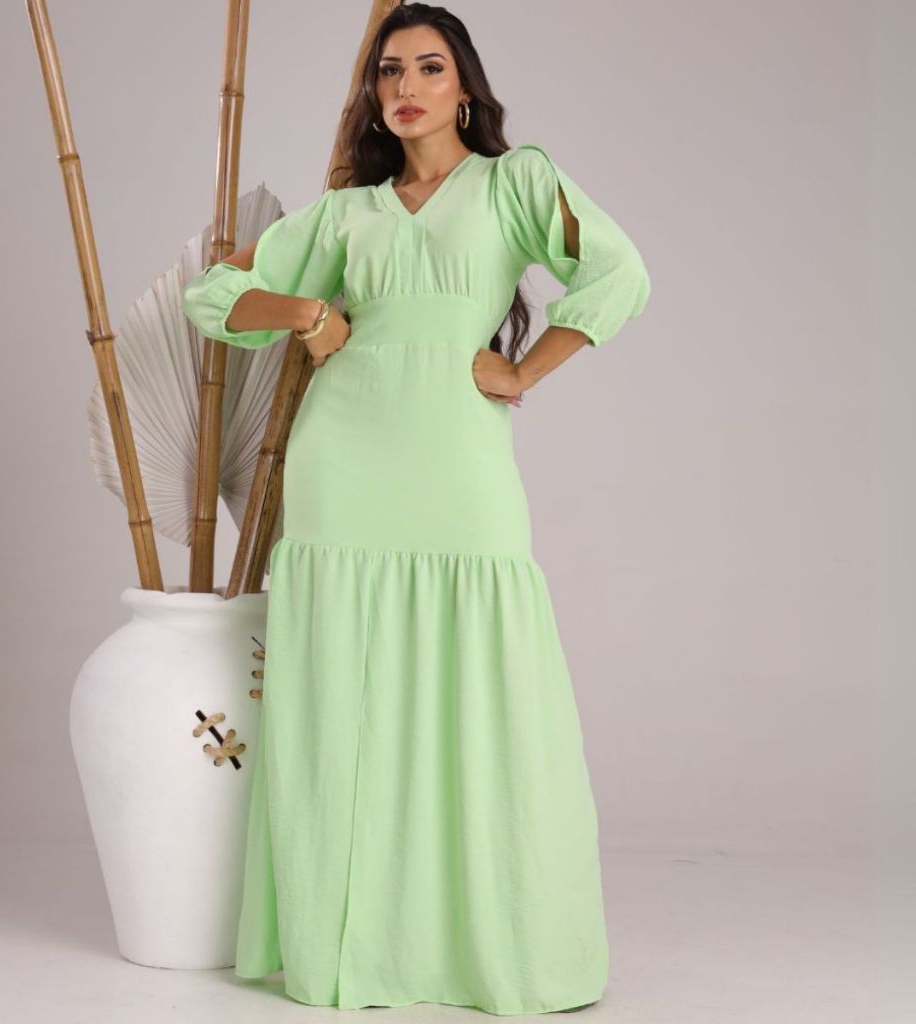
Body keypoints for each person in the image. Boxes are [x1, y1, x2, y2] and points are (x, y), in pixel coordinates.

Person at [182, 3, 650, 1015]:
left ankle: (485, 944)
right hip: (343, 465)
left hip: (457, 460)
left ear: (464, 87)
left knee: (482, 691)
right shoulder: (344, 214)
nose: (405, 87)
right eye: (388, 70)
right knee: (342, 695)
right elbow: (213, 297)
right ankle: (352, 943)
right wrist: (307, 310)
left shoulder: (514, 183)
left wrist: (523, 368)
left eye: (429, 68)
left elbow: (621, 271)